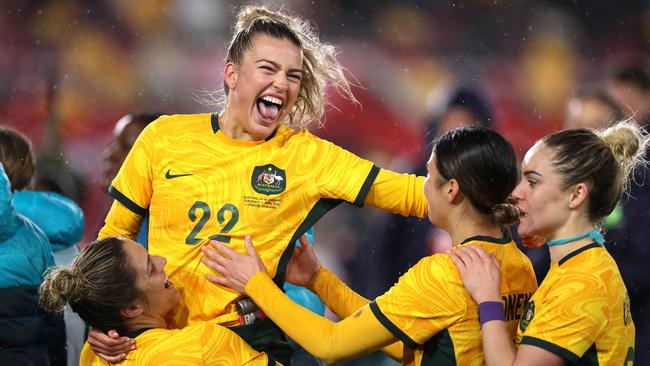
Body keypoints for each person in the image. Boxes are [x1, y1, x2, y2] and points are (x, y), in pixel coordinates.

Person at [95, 6, 428, 364]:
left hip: (249, 344)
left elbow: (412, 194)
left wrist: (482, 195)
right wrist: (103, 322)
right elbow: (114, 240)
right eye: (268, 69)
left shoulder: (306, 157)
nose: (282, 84)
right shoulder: (163, 138)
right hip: (166, 344)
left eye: (293, 75)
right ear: (232, 74)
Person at [203, 127, 538, 365]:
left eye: (428, 177)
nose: (421, 188)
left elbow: (330, 345)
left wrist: (254, 283)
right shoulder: (519, 263)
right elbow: (400, 338)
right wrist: (319, 279)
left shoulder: (445, 273)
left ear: (451, 189)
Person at [450, 122, 646, 365]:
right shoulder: (580, 267)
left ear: (576, 195)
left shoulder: (582, 283)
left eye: (532, 182)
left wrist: (488, 298)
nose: (516, 192)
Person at [38, 237, 277, 365]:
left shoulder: (92, 355)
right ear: (132, 308)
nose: (163, 261)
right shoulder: (203, 344)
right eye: (151, 268)